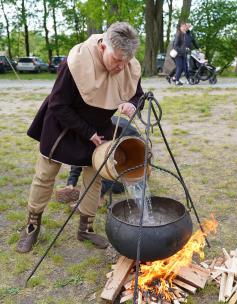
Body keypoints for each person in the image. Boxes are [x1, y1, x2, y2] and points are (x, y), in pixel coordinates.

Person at [16, 22, 144, 253]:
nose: (121, 66)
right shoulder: (76, 62)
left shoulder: (127, 64)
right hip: (62, 126)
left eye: (125, 62)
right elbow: (58, 104)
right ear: (103, 47)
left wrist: (132, 105)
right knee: (45, 175)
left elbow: (138, 95)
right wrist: (88, 133)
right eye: (117, 60)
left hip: (99, 128)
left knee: (94, 178)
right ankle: (32, 227)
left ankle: (86, 229)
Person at [55, 116, 140, 204]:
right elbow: (81, 156)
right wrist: (71, 181)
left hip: (132, 162)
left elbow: (111, 170)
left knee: (117, 188)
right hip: (112, 143)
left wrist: (100, 192)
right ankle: (78, 189)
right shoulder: (94, 133)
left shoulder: (127, 140)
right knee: (92, 160)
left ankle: (93, 194)